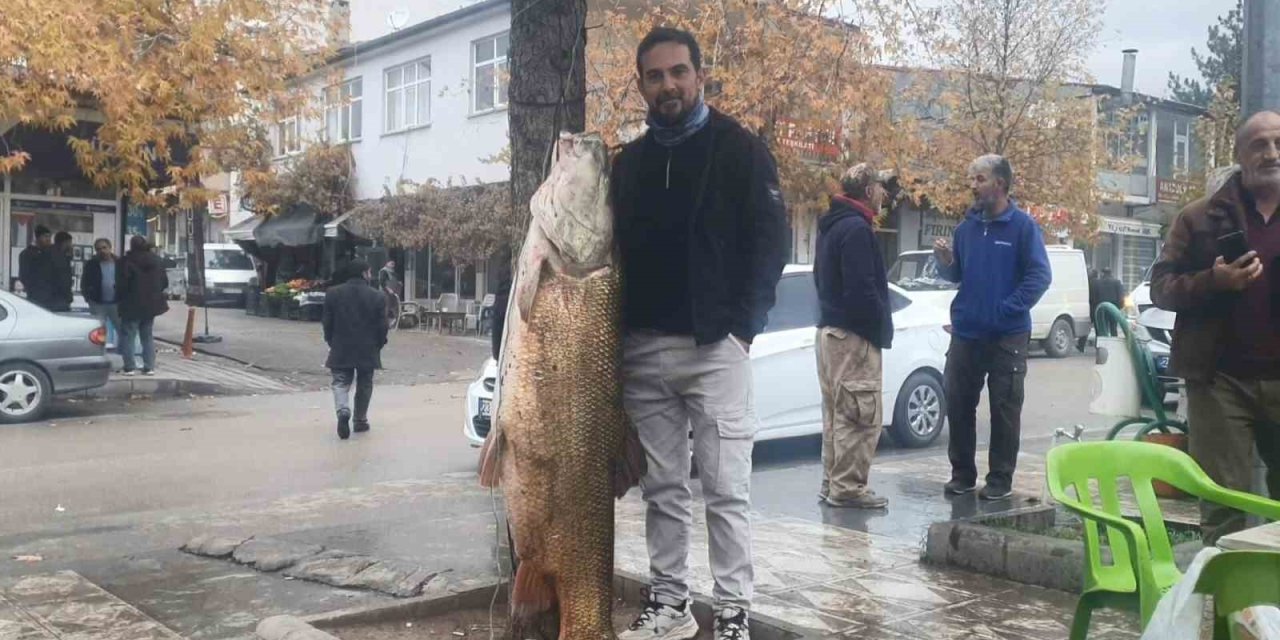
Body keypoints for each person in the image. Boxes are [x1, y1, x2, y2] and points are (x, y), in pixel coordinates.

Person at [611, 27, 788, 640]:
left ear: (700, 76)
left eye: (679, 72)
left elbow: (770, 244)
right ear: (641, 85)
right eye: (655, 76)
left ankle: (733, 610)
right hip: (643, 350)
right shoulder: (628, 164)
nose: (669, 85)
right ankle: (670, 605)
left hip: (716, 347)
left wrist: (744, 330)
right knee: (662, 488)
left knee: (725, 486)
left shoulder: (739, 149)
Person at [1150, 110, 1280, 545]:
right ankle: (1229, 611)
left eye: (1278, 142)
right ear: (1240, 154)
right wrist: (1214, 281)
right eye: (1259, 144)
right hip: (1220, 382)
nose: (1271, 153)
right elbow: (1161, 289)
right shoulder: (1199, 217)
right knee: (1224, 507)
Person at [933, 154, 1051, 501]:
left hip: (1007, 335)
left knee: (1003, 408)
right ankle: (962, 475)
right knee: (958, 403)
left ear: (1000, 183)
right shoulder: (966, 228)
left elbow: (1040, 276)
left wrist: (1007, 308)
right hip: (967, 333)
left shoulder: (1023, 228)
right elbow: (957, 274)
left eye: (980, 179)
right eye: (972, 179)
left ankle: (999, 480)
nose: (974, 186)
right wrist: (944, 264)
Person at [813, 163, 894, 510]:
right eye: (880, 186)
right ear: (867, 190)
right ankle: (847, 489)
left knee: (836, 414)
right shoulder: (856, 230)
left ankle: (832, 484)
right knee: (859, 415)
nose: (885, 194)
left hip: (831, 333)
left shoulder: (833, 226)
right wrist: (878, 326)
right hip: (853, 336)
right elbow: (862, 291)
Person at [322, 260, 388, 440]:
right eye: (369, 272)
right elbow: (383, 326)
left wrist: (331, 341)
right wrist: (379, 343)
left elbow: (327, 323)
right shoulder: (377, 296)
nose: (371, 275)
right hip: (367, 348)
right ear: (364, 274)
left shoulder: (333, 293)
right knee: (365, 383)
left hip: (341, 345)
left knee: (340, 382)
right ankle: (360, 420)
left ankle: (343, 410)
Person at [118, 236, 170, 376]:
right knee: (147, 336)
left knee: (128, 335)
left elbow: (121, 284)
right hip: (150, 305)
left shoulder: (126, 261)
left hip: (131, 304)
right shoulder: (157, 261)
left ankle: (129, 367)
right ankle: (149, 367)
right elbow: (164, 282)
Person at [82, 238, 122, 347]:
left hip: (116, 303)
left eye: (104, 248)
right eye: (98, 249)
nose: (102, 251)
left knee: (122, 331)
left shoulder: (119, 263)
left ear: (110, 248)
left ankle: (125, 356)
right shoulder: (91, 264)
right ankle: (99, 354)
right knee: (99, 333)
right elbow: (84, 282)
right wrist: (88, 298)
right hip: (98, 303)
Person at [18, 226, 56, 309]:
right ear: (38, 238)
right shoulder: (26, 254)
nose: (48, 239)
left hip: (52, 298)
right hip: (35, 297)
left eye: (49, 237)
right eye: (45, 236)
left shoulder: (51, 254)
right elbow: (23, 276)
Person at [49, 231, 74, 311]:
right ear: (65, 242)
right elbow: (64, 279)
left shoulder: (53, 253)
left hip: (55, 297)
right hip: (59, 297)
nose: (71, 245)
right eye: (70, 242)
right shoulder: (59, 257)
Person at [1080, 269, 1100, 352]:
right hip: (1097, 307)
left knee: (1086, 328)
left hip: (1088, 307)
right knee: (1098, 329)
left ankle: (1081, 344)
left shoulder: (1087, 283)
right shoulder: (1099, 283)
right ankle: (1098, 346)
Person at [378, 259, 401, 327]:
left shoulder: (393, 273)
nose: (393, 265)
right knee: (386, 308)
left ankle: (395, 324)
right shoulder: (383, 271)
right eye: (391, 263)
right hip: (385, 293)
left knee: (395, 308)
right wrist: (388, 290)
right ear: (387, 263)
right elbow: (382, 282)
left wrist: (399, 285)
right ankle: (384, 324)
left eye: (394, 263)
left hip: (393, 294)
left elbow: (397, 282)